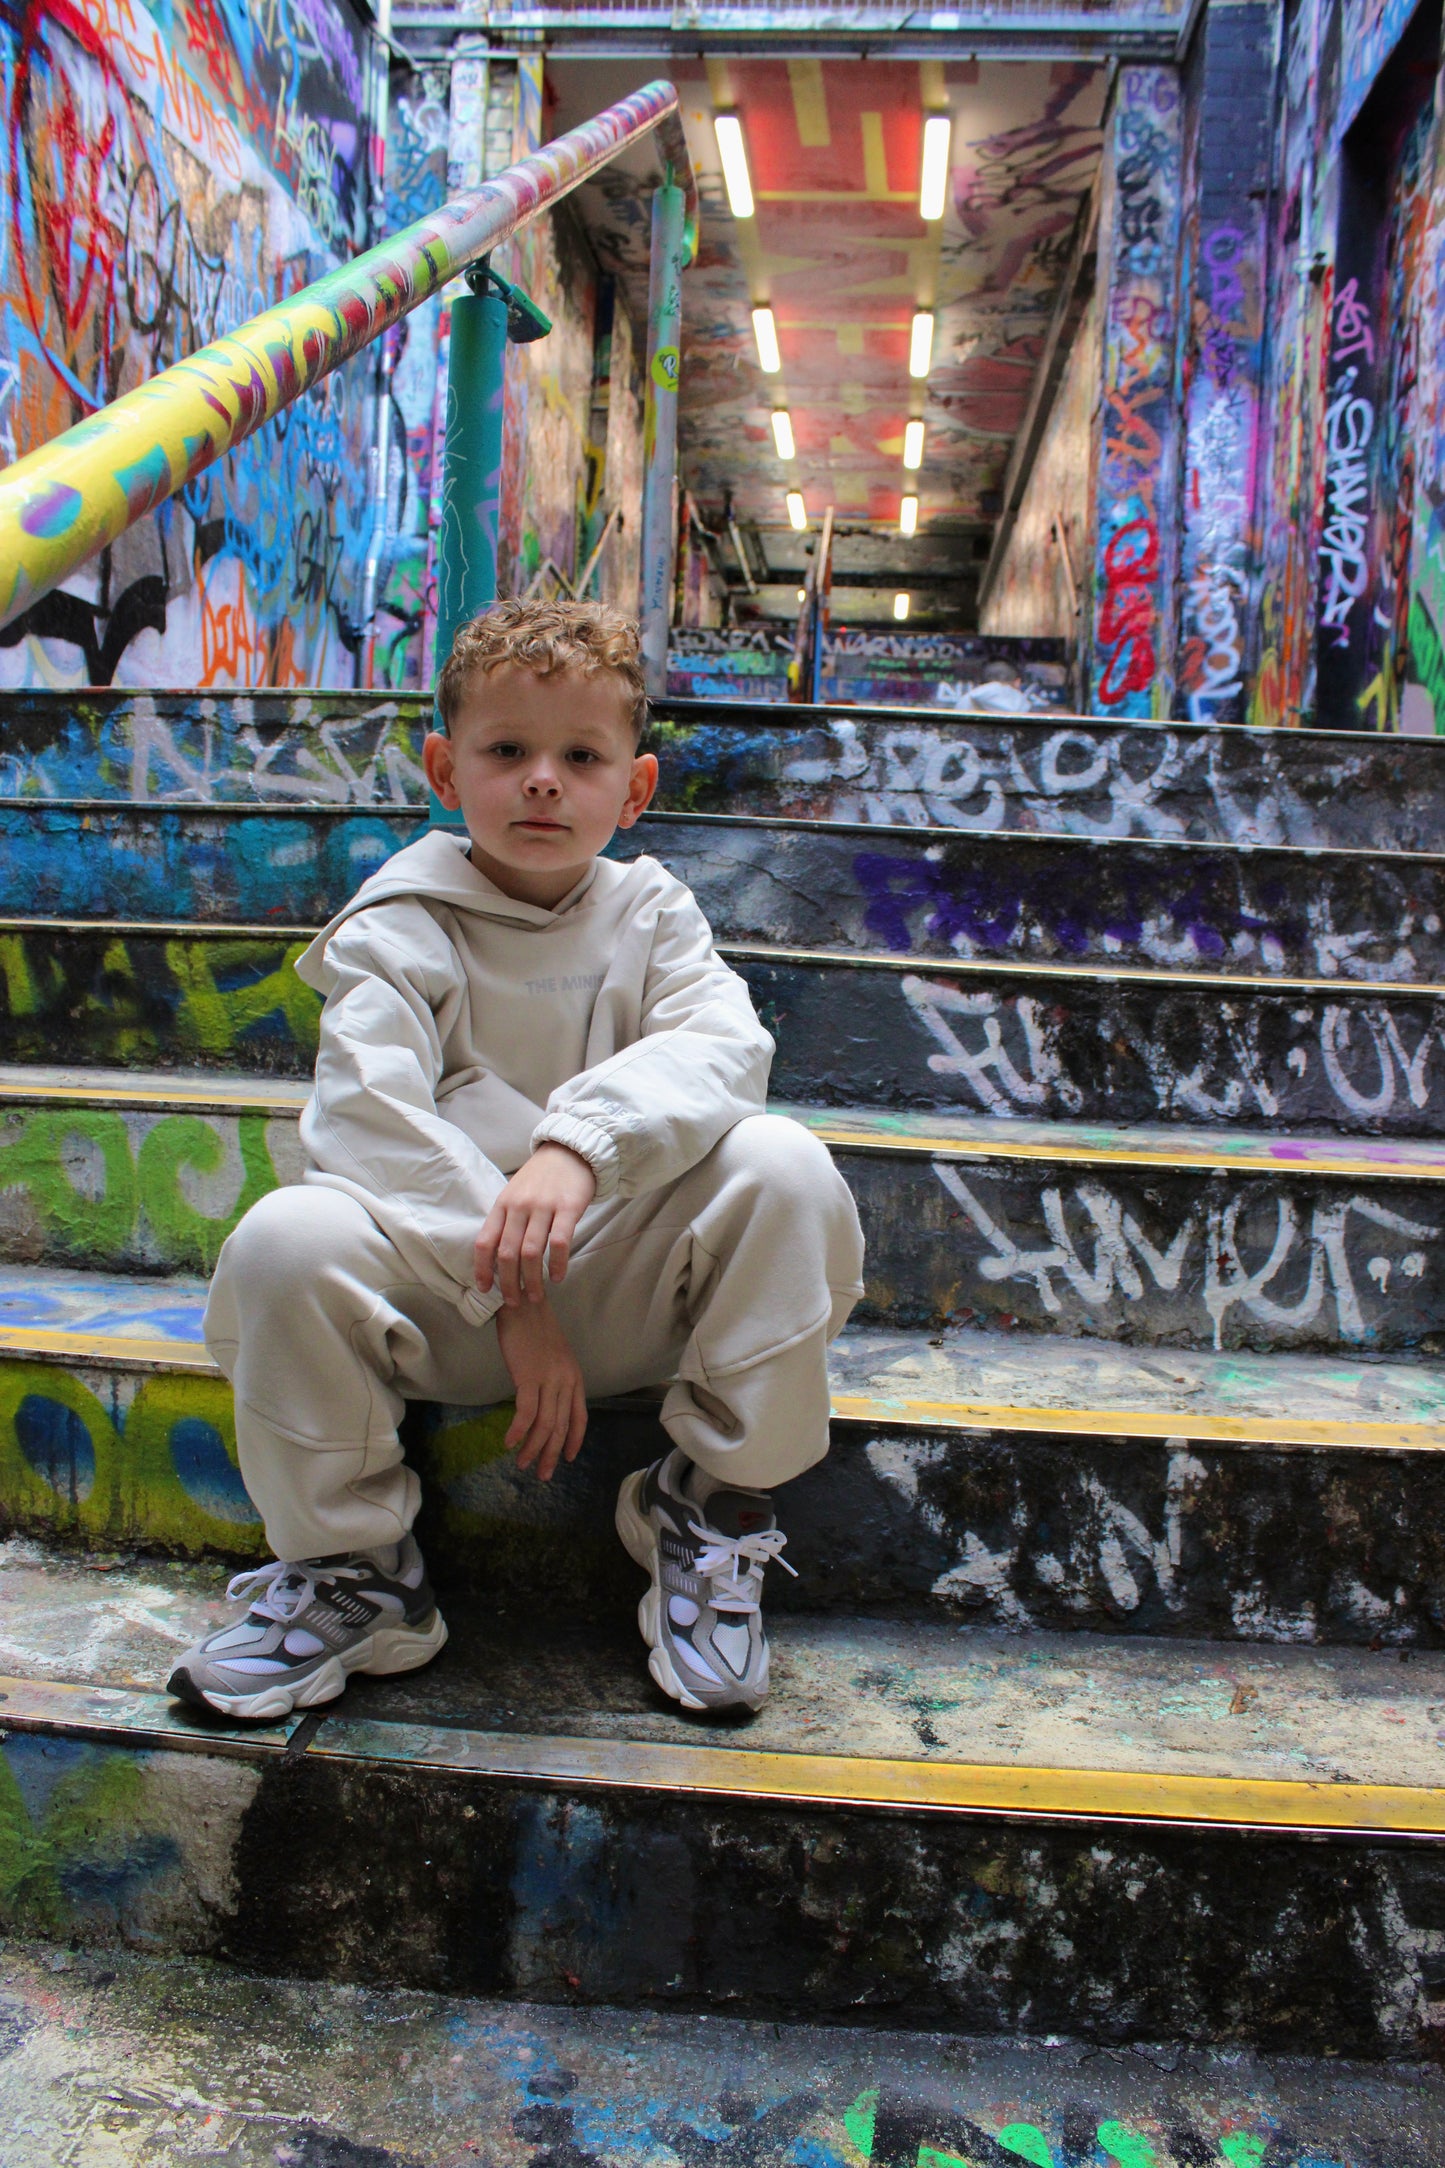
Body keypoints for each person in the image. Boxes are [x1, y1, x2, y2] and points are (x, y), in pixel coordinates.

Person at [167, 598, 865, 1724]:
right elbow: (366, 1120)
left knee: (781, 1162)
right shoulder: (396, 926)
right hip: (453, 1303)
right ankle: (357, 1573)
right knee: (282, 1237)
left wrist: (575, 1147)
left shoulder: (653, 913)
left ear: (632, 789)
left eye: (580, 756)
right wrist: (512, 1291)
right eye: (506, 751)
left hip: (625, 1290)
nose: (543, 781)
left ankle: (709, 1502)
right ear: (446, 770)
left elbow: (723, 1049)